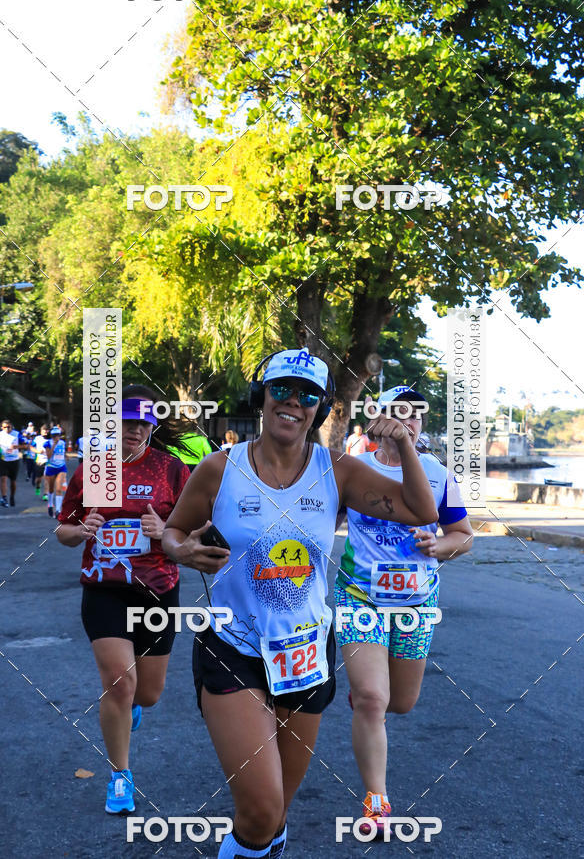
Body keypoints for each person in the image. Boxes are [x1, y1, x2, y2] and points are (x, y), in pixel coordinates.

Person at [162, 349, 437, 859]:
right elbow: (174, 532)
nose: (294, 402)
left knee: (275, 813)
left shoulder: (338, 470)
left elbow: (422, 509)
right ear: (261, 396)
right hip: (233, 646)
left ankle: (267, 847)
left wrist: (402, 440)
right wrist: (184, 550)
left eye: (309, 394)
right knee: (261, 809)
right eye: (281, 389)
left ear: (321, 408)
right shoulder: (219, 468)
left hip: (305, 655)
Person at [334, 386, 473, 834]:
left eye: (415, 416)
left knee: (402, 702)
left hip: (415, 601)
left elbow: (463, 534)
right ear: (377, 420)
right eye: (398, 413)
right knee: (374, 700)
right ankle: (376, 800)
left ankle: (368, 694)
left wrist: (440, 545)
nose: (407, 422)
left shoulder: (436, 474)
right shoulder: (356, 470)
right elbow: (323, 519)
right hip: (360, 596)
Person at [56, 386, 189, 814]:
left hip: (157, 590)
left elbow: (192, 531)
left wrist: (164, 529)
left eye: (140, 423)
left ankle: (130, 709)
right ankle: (120, 775)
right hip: (104, 587)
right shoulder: (90, 471)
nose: (132, 430)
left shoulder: (172, 469)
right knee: (119, 681)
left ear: (152, 426)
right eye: (124, 422)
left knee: (146, 694)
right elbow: (63, 531)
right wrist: (82, 530)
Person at [0, 419, 23, 507]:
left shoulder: (17, 434)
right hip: (3, 460)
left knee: (13, 481)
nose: (6, 429)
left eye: (8, 427)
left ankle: (12, 496)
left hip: (14, 460)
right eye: (4, 427)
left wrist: (16, 446)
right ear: (1, 428)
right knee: (3, 478)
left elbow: (26, 445)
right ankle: (4, 498)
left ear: (11, 426)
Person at [44, 426, 68, 518]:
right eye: (54, 436)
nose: (56, 437)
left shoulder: (62, 442)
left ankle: (58, 510)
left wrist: (66, 456)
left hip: (61, 467)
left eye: (57, 435)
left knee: (58, 489)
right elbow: (49, 456)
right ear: (51, 436)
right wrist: (54, 445)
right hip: (51, 467)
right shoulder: (47, 443)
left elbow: (62, 452)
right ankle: (50, 504)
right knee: (51, 489)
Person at [33, 425, 49, 495]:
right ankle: (38, 486)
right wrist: (37, 451)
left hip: (49, 461)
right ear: (41, 431)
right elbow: (31, 447)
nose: (45, 431)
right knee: (38, 479)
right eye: (44, 430)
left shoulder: (51, 439)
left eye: (47, 430)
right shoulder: (37, 438)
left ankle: (45, 494)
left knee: (47, 478)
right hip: (39, 461)